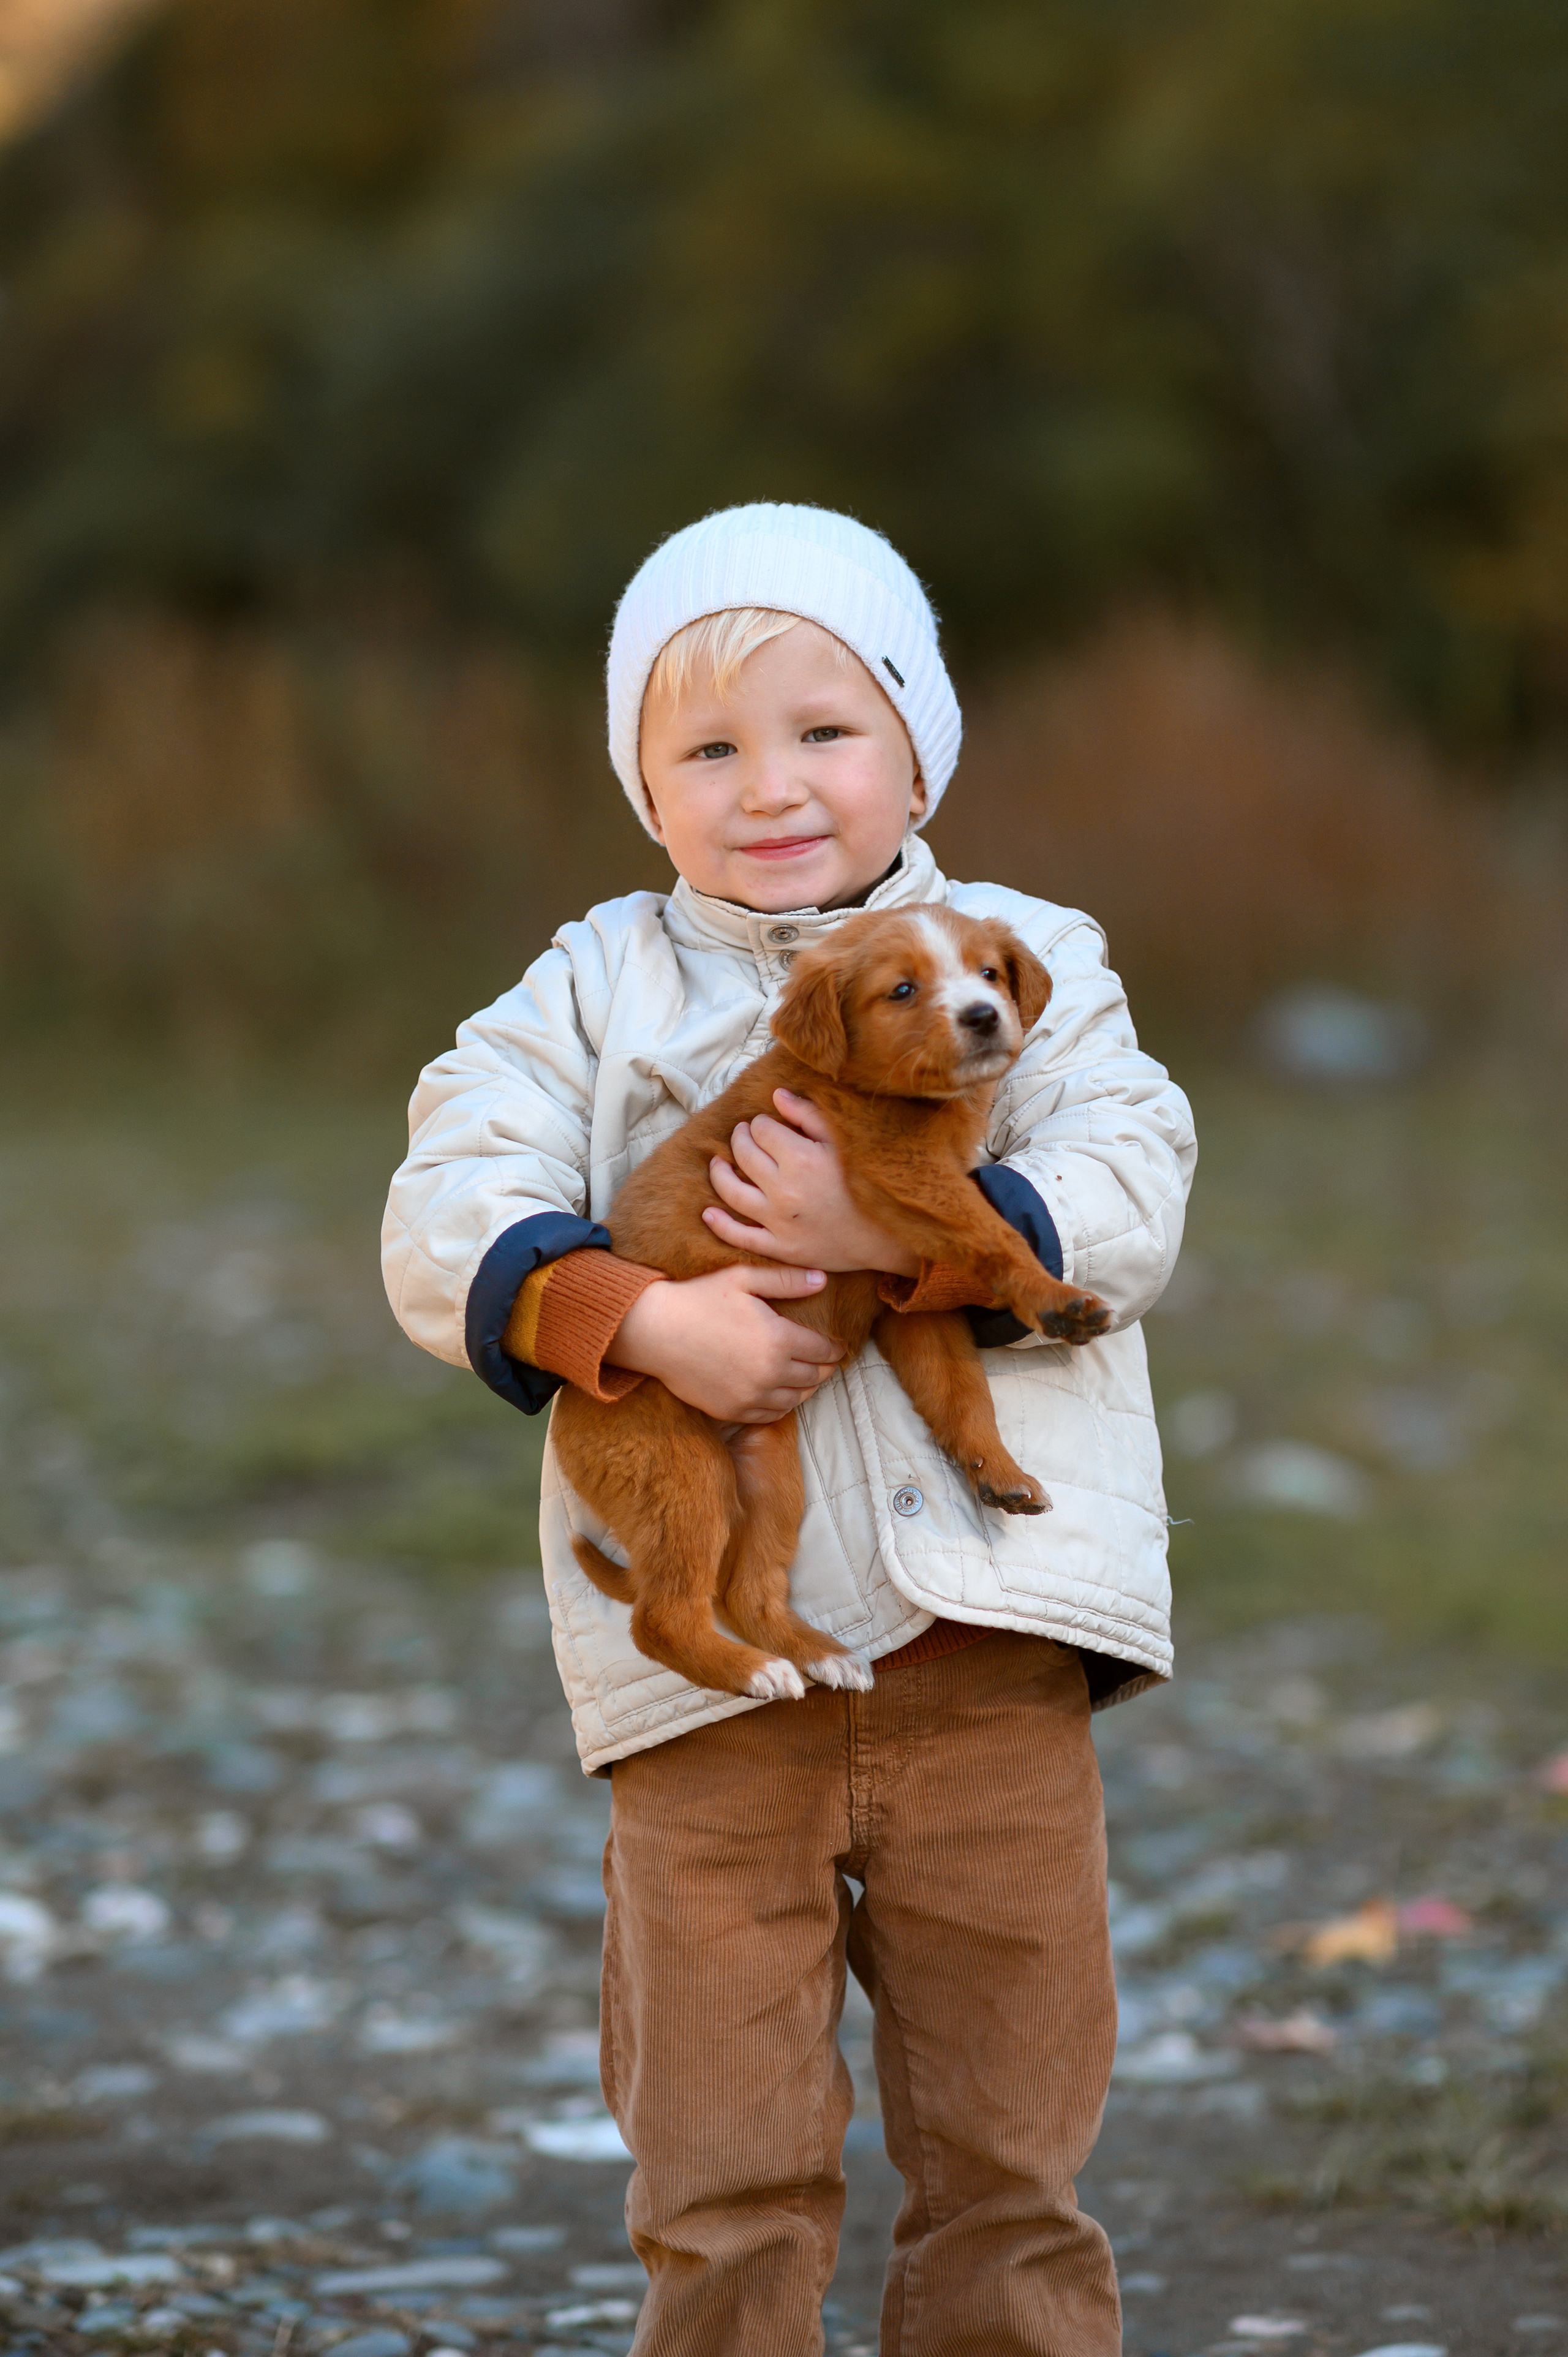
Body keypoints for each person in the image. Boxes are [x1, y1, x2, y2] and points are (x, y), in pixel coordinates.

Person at [382, 502, 1196, 2357]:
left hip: (992, 1638)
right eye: (708, 749)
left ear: (921, 742)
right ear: (643, 790)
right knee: (723, 2161)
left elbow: (1134, 1163)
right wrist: (639, 1312)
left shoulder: (1023, 951)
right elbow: (446, 1203)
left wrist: (899, 1244)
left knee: (1010, 2150)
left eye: (825, 730)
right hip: (704, 1697)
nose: (772, 785)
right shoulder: (590, 992)